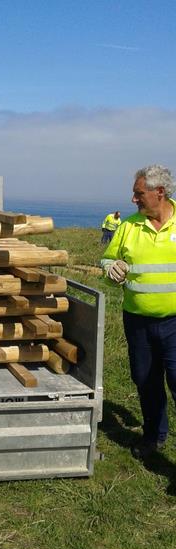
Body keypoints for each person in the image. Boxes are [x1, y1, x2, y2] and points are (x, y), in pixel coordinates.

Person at [101, 165, 176, 460]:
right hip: (138, 322)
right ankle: (154, 437)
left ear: (159, 192)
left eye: (138, 193)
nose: (133, 199)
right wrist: (111, 269)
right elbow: (107, 261)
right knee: (146, 381)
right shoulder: (128, 227)